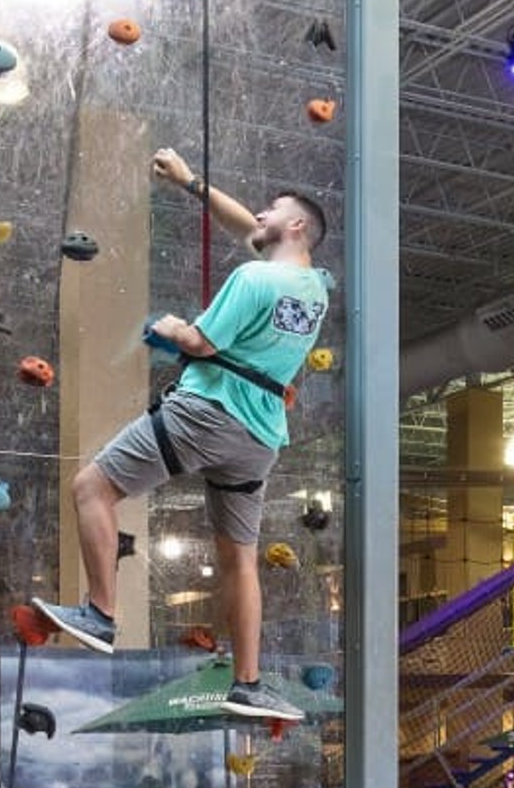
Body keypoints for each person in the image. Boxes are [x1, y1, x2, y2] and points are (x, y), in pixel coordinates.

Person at [33, 147, 332, 721]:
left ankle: (99, 614)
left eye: (273, 209)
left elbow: (201, 343)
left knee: (92, 488)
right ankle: (248, 682)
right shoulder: (313, 288)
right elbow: (249, 226)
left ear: (294, 225)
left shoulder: (253, 277)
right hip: (260, 436)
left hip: (207, 412)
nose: (260, 214)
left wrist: (173, 327)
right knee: (239, 559)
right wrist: (192, 183)